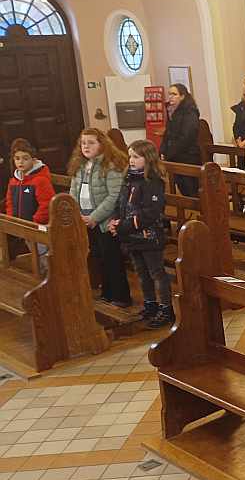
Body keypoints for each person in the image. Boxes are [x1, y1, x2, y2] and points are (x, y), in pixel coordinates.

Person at [109, 140, 173, 328]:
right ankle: (150, 304)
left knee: (156, 273)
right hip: (131, 237)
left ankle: (166, 308)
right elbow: (120, 203)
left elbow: (150, 213)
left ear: (149, 158)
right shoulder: (128, 178)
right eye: (130, 156)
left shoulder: (153, 182)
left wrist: (124, 226)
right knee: (142, 274)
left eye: (136, 157)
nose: (131, 160)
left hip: (148, 236)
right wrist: (115, 219)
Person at [69, 128, 131, 307]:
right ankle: (107, 292)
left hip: (105, 221)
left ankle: (120, 296)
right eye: (83, 143)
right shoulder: (80, 166)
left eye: (91, 142)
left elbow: (114, 196)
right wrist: (77, 214)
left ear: (102, 145)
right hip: (85, 219)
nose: (86, 146)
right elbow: (73, 191)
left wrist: (94, 217)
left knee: (112, 258)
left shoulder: (110, 165)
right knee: (98, 257)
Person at [5, 139, 54, 274]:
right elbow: (9, 201)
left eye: (25, 158)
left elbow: (47, 204)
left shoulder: (40, 180)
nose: (20, 162)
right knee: (34, 252)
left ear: (33, 159)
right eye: (17, 158)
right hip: (23, 225)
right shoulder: (14, 181)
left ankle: (51, 277)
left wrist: (34, 221)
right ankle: (42, 277)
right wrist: (12, 219)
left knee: (43, 252)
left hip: (37, 226)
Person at [160, 83, 201, 196]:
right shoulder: (171, 111)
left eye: (174, 94)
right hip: (175, 156)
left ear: (182, 96)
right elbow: (167, 133)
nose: (170, 97)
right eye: (169, 94)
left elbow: (186, 137)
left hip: (188, 156)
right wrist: (163, 150)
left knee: (191, 189)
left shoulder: (190, 112)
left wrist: (169, 153)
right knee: (182, 187)